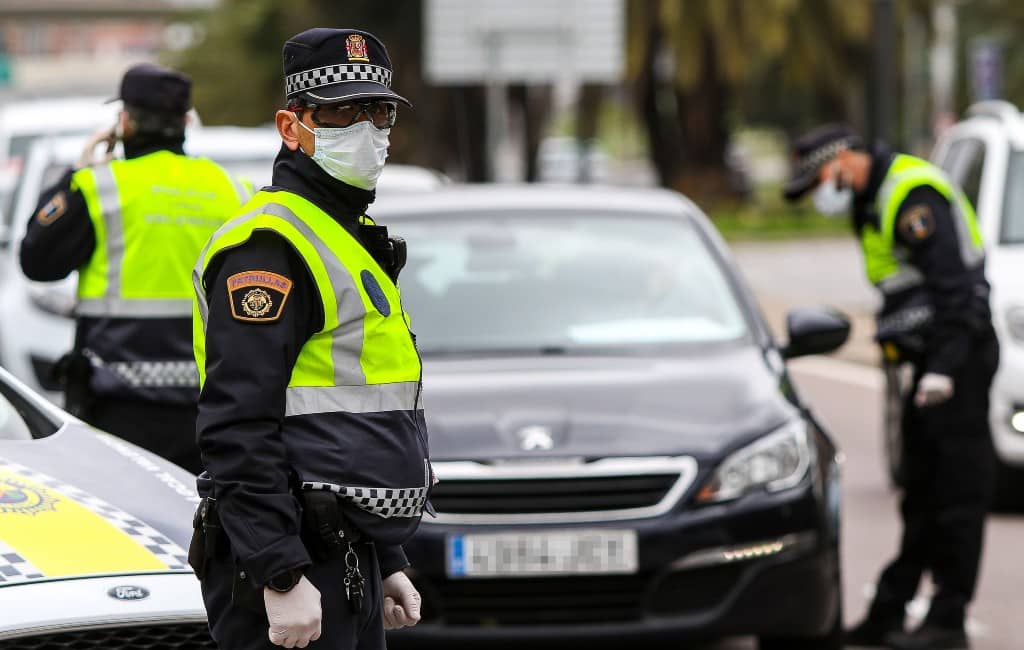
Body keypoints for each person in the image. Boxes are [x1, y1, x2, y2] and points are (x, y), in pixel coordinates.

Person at [188, 28, 428, 650]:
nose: (367, 128)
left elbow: (350, 417)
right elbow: (237, 424)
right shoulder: (270, 247)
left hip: (344, 555)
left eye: (379, 111)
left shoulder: (346, 234)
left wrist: (389, 554)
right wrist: (279, 571)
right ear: (292, 126)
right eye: (342, 111)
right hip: (293, 558)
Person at [783, 125, 999, 650]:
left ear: (843, 161)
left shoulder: (910, 194)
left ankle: (948, 619)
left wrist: (943, 371)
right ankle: (889, 610)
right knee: (921, 492)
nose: (820, 195)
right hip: (924, 364)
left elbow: (958, 294)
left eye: (820, 182)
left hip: (957, 362)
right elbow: (905, 289)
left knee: (957, 495)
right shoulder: (871, 201)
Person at [19, 63, 251, 474]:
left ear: (123, 121)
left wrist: (78, 172)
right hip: (214, 410)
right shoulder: (233, 190)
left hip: (119, 413)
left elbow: (36, 262)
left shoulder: (99, 187)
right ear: (185, 122)